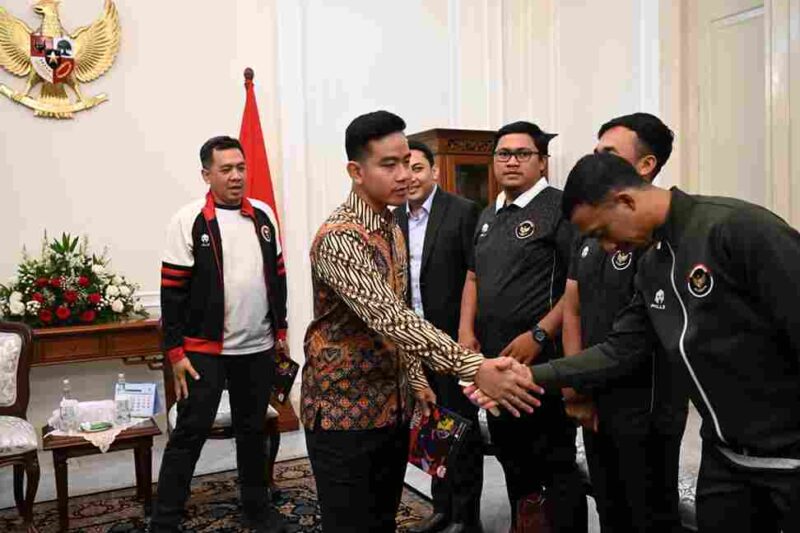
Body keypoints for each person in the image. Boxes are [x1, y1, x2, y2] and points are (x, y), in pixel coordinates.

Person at [526, 152, 800, 532]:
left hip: (789, 461)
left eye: (602, 232)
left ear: (626, 201)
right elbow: (621, 349)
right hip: (725, 461)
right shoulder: (652, 264)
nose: (607, 247)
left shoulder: (736, 229)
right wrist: (529, 376)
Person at [302, 110, 541, 533]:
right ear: (356, 171)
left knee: (382, 519)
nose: (403, 175)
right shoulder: (340, 237)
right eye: (388, 165)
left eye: (406, 162)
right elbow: (390, 318)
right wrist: (475, 367)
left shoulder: (391, 226)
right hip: (344, 414)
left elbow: (402, 309)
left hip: (392, 409)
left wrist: (415, 379)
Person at [152, 136, 287, 533]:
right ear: (206, 174)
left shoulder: (263, 216)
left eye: (241, 167)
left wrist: (280, 329)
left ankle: (257, 509)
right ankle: (165, 519)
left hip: (257, 347)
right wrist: (175, 353)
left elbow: (277, 277)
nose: (236, 176)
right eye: (226, 169)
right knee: (189, 432)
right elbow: (171, 292)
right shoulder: (188, 219)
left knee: (252, 432)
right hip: (203, 351)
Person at [458, 121, 587, 531]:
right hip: (494, 364)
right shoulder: (488, 213)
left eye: (522, 153)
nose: (511, 161)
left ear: (542, 161)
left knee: (554, 463)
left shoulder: (560, 208)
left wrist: (540, 333)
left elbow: (578, 286)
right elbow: (473, 277)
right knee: (512, 458)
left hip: (543, 363)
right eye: (503, 154)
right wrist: (465, 331)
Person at [561, 114, 687, 532]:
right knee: (609, 507)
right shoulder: (590, 228)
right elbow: (573, 308)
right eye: (595, 152)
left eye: (609, 153)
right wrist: (575, 389)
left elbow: (634, 340)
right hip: (594, 395)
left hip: (646, 406)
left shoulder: (662, 236)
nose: (595, 161)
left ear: (646, 165)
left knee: (649, 514)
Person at [395, 140, 484, 533]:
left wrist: (468, 332)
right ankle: (443, 507)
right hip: (411, 344)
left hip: (451, 342)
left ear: (434, 171)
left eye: (417, 168)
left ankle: (467, 517)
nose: (410, 176)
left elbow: (475, 276)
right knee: (430, 427)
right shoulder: (393, 217)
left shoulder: (462, 212)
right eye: (403, 168)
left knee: (461, 429)